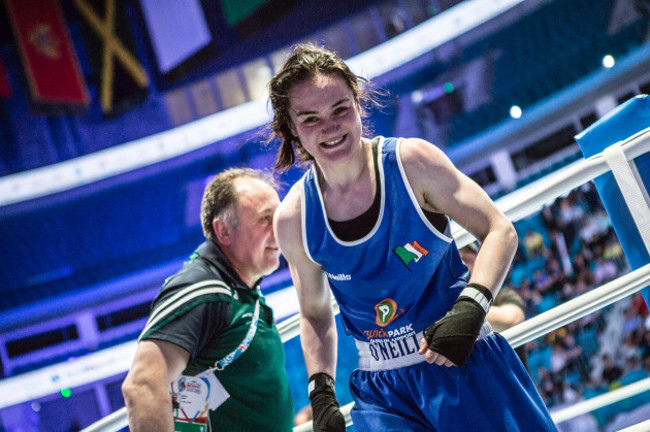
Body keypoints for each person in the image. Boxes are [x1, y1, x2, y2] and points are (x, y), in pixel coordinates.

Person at [270, 43, 557, 431]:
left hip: (460, 356)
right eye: (310, 119)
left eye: (340, 109)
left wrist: (472, 306)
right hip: (382, 388)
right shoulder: (294, 218)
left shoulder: (412, 163)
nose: (330, 127)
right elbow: (316, 312)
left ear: (358, 104)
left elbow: (498, 228)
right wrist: (321, 390)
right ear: (291, 129)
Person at [121, 168, 293, 431]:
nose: (278, 228)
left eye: (278, 216)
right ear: (224, 231)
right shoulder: (203, 291)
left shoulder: (238, 286)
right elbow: (142, 385)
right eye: (264, 219)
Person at [459, 243, 528, 369]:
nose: (461, 264)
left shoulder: (502, 296)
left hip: (511, 382)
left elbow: (512, 320)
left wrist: (457, 307)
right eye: (457, 259)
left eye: (466, 259)